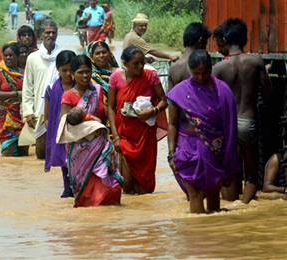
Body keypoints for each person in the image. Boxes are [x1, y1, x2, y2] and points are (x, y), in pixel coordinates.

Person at [167, 50, 240, 213]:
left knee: (214, 195)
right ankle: (197, 233)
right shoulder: (179, 92)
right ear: (190, 70)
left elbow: (230, 125)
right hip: (187, 151)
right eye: (196, 73)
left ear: (211, 68)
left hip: (215, 151)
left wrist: (229, 156)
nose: (200, 77)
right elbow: (172, 124)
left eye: (205, 73)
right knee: (196, 195)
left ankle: (212, 236)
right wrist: (171, 153)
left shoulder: (223, 91)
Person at [212, 19, 271, 203]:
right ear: (244, 39)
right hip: (248, 121)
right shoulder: (255, 62)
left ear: (226, 40)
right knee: (252, 173)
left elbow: (212, 100)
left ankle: (233, 208)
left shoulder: (218, 68)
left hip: (227, 125)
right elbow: (267, 92)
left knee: (231, 169)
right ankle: (245, 207)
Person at [108, 46, 168, 194]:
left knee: (144, 186)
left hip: (145, 136)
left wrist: (153, 111)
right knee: (126, 184)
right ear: (125, 64)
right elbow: (110, 107)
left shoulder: (151, 76)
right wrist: (115, 136)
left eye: (142, 62)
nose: (141, 66)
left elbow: (164, 100)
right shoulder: (116, 78)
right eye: (136, 63)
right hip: (124, 136)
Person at [56, 103, 124, 208]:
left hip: (82, 169)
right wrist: (91, 117)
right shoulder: (93, 128)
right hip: (97, 165)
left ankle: (90, 202)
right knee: (100, 187)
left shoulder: (70, 134)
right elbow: (100, 126)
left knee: (91, 192)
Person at [22, 19, 62, 159]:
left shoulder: (63, 56)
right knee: (41, 154)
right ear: (41, 35)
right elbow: (28, 87)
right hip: (39, 112)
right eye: (47, 32)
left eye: (53, 32)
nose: (50, 35)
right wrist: (28, 112)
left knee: (60, 152)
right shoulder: (33, 58)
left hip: (60, 110)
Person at [44, 50, 76, 198]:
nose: (68, 74)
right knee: (64, 161)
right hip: (60, 131)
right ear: (58, 69)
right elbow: (47, 115)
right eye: (64, 70)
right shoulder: (51, 88)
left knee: (77, 159)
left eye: (71, 70)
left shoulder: (82, 86)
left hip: (77, 130)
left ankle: (77, 187)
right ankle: (67, 188)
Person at [0, 43, 29, 157]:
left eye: (11, 55)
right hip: (6, 122)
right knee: (8, 155)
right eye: (6, 55)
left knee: (23, 156)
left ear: (17, 56)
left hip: (23, 119)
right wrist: (17, 94)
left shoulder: (24, 72)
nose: (8, 58)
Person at [60, 55, 106, 123]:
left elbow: (104, 115)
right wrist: (90, 118)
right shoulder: (68, 96)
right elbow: (65, 123)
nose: (85, 75)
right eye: (80, 72)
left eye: (87, 71)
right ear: (73, 73)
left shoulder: (97, 90)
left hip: (99, 132)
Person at [168, 23, 211, 91]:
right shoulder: (204, 65)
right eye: (205, 43)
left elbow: (170, 97)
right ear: (200, 40)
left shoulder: (173, 68)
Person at [86, 40, 118, 106]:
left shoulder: (118, 72)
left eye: (104, 52)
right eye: (97, 53)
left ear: (109, 54)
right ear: (91, 57)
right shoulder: (89, 76)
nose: (101, 55)